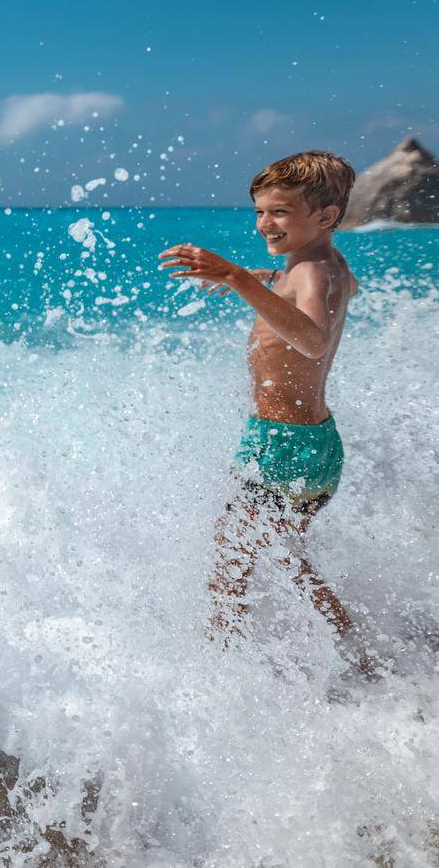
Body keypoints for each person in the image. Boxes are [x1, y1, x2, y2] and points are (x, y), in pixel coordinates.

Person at [159, 150, 372, 673]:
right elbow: (344, 293)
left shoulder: (314, 273)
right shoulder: (322, 267)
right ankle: (358, 654)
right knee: (285, 557)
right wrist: (272, 281)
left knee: (230, 561)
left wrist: (239, 279)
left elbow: (313, 341)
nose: (263, 224)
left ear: (326, 216)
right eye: (259, 211)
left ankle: (216, 671)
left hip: (282, 443)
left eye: (279, 212)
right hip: (312, 443)